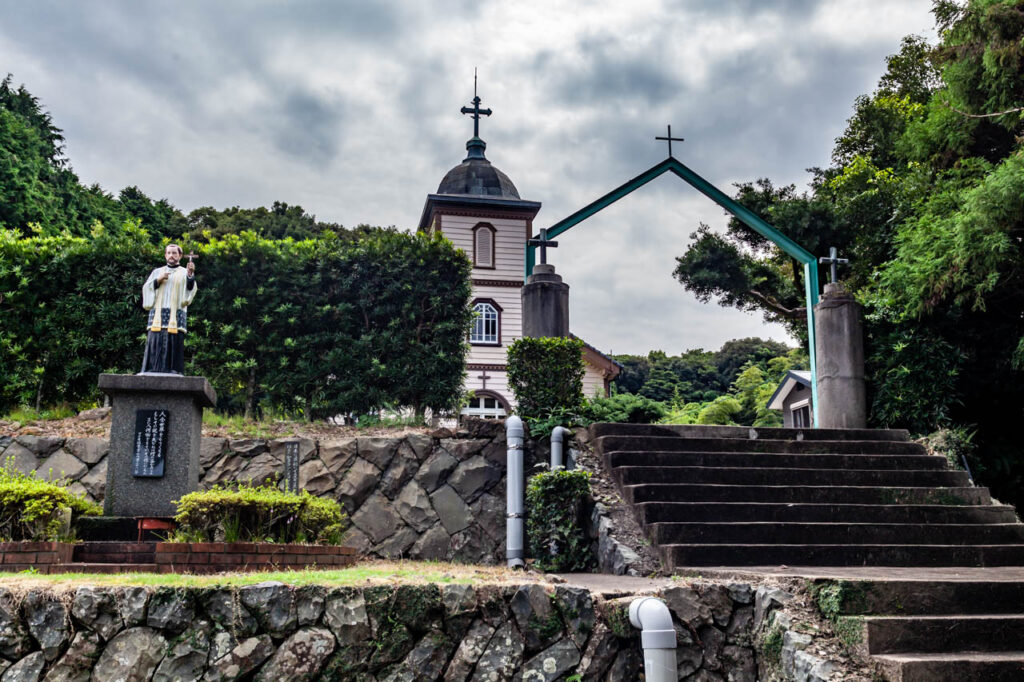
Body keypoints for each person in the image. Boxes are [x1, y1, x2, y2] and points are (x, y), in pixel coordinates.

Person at [140, 244, 197, 374]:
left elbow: (190, 290)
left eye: (174, 253)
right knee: (155, 341)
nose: (171, 255)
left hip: (175, 315)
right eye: (169, 253)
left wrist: (190, 275)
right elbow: (146, 288)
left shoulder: (184, 272)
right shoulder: (157, 272)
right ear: (165, 255)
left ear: (180, 256)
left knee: (174, 342)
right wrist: (158, 280)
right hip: (157, 315)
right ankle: (151, 369)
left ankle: (174, 370)